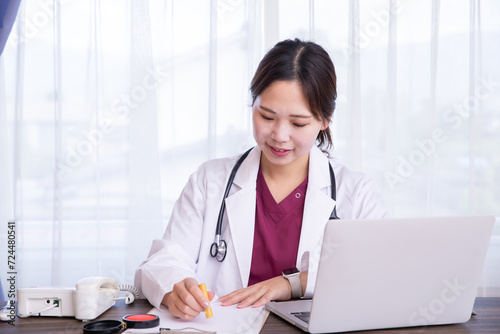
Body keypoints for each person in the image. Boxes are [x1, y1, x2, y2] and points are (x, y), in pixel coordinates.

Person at [134, 38, 387, 320]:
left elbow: (377, 276)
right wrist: (175, 289)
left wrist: (289, 284)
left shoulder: (358, 193)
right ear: (252, 104)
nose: (279, 135)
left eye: (298, 123)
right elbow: (164, 261)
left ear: (325, 120)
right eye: (267, 116)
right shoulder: (210, 181)